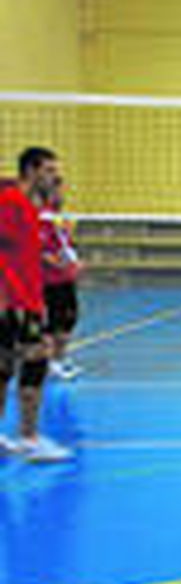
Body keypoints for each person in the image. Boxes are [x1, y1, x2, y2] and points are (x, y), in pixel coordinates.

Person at [0, 147, 71, 462]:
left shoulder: (29, 207)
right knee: (37, 358)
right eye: (49, 170)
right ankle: (29, 438)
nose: (55, 176)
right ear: (31, 170)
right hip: (13, 300)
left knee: (4, 366)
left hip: (28, 296)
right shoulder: (11, 202)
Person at [41, 185, 84, 380]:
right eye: (57, 192)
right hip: (50, 280)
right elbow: (41, 250)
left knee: (69, 319)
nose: (61, 196)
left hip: (66, 278)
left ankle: (59, 360)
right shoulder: (42, 218)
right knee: (53, 324)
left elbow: (65, 245)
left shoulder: (59, 218)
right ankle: (50, 363)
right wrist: (58, 263)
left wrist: (75, 262)